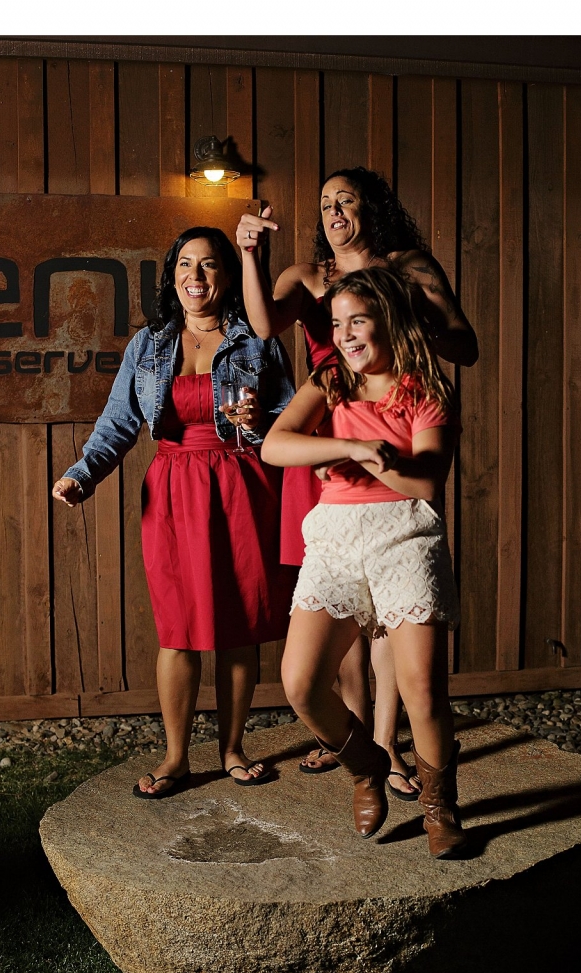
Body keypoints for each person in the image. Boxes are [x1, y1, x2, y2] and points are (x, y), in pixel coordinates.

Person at [236, 166, 477, 799]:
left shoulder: (410, 268)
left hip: (390, 439)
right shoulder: (308, 277)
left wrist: (398, 329)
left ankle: (396, 751)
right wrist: (250, 254)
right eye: (325, 203)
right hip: (328, 427)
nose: (335, 211)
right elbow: (264, 325)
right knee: (340, 604)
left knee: (395, 625)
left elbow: (465, 344)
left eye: (348, 200)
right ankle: (361, 743)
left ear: (374, 208)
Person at [52, 227, 296, 795]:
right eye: (185, 265)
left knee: (238, 626)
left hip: (241, 485)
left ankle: (234, 748)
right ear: (172, 275)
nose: (196, 277)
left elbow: (290, 420)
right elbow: (119, 423)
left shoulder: (259, 339)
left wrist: (258, 422)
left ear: (229, 276)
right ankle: (177, 756)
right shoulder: (151, 344)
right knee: (178, 629)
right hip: (172, 492)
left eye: (210, 265)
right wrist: (81, 475)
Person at [261, 267, 468, 859]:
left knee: (422, 690)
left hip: (406, 533)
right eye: (337, 323)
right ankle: (365, 765)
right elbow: (277, 445)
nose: (346, 334)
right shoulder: (328, 381)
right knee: (300, 683)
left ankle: (439, 808)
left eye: (359, 321)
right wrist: (347, 447)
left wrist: (374, 463)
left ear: (388, 321)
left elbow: (426, 479)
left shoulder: (425, 389)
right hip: (335, 535)